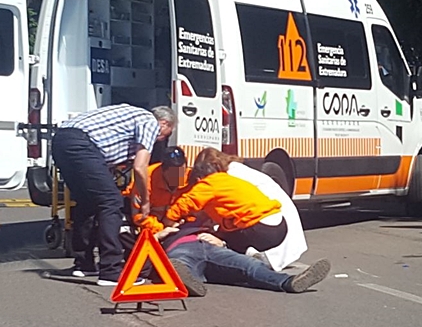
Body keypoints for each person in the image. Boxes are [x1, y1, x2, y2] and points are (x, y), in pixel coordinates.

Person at [52, 104, 175, 285]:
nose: (160, 140)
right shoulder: (150, 122)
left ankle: (83, 264)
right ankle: (111, 271)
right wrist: (145, 200)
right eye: (166, 135)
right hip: (82, 145)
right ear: (163, 123)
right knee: (111, 203)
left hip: (61, 141)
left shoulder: (129, 116)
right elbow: (140, 167)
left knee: (88, 202)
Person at [191, 148, 308, 271]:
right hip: (280, 218)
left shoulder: (230, 177)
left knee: (229, 232)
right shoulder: (235, 169)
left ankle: (241, 252)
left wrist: (219, 236)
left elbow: (232, 211)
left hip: (268, 221)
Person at [154, 224, 330, 297]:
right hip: (179, 247)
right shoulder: (160, 227)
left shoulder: (202, 217)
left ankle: (289, 282)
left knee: (249, 265)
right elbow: (140, 247)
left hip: (213, 246)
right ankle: (184, 282)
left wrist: (221, 241)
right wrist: (158, 236)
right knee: (180, 263)